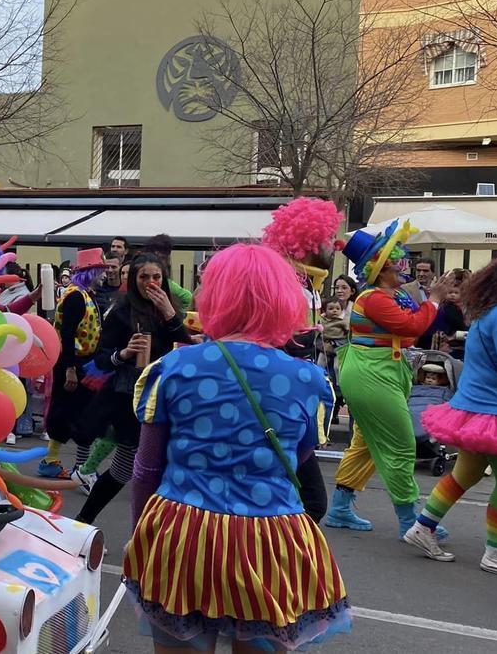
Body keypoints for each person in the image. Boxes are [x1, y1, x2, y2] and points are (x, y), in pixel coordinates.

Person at [126, 243, 349, 653]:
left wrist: (141, 531)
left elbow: (146, 469)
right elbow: (298, 461)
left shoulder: (174, 368)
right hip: (269, 541)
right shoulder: (307, 380)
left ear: (215, 296)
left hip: (182, 534)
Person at [403, 247, 497, 579]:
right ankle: (495, 552)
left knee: (465, 474)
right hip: (494, 411)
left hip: (475, 407)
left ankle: (423, 527)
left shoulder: (489, 311)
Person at [326, 220, 446, 537]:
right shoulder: (376, 298)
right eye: (395, 259)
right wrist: (433, 299)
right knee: (403, 445)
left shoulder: (389, 295)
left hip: (380, 371)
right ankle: (411, 520)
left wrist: (432, 303)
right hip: (372, 373)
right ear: (382, 268)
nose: (402, 263)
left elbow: (418, 325)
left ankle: (339, 508)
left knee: (365, 443)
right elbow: (411, 327)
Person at [74, 254, 190, 524]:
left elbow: (185, 344)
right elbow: (101, 358)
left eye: (157, 277)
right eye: (144, 277)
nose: (151, 283)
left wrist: (170, 315)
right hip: (133, 400)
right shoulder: (121, 310)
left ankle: (89, 521)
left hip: (166, 397)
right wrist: (124, 353)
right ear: (134, 279)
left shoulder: (168, 309)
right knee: (127, 469)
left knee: (141, 469)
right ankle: (84, 520)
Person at [261, 196, 345, 523]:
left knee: (303, 500)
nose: (333, 245)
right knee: (310, 502)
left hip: (293, 402)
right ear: (308, 241)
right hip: (277, 403)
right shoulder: (286, 285)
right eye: (327, 238)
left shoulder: (306, 284)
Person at [39, 249, 107, 479]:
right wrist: (70, 369)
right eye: (100, 271)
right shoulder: (76, 296)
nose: (104, 276)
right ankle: (64, 463)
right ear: (91, 272)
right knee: (71, 411)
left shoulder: (86, 294)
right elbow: (67, 334)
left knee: (77, 412)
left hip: (82, 361)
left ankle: (57, 460)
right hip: (72, 362)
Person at [141, 233, 194, 308]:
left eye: (165, 258)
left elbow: (188, 298)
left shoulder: (168, 285)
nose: (165, 262)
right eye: (162, 257)